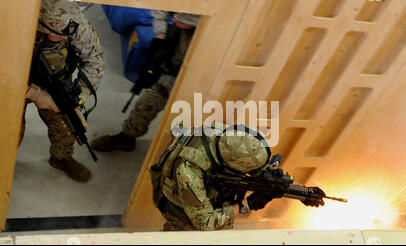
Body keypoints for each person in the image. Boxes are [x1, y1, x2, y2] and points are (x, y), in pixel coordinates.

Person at [150, 123, 326, 231]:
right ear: (230, 166)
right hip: (182, 212)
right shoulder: (189, 171)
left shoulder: (230, 138)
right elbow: (205, 222)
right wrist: (247, 205)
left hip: (206, 193)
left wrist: (301, 191)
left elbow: (264, 174)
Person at [90, 11, 200, 152]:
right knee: (151, 99)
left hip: (204, 56)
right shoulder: (178, 24)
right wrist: (160, 37)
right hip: (177, 48)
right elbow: (161, 9)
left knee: (189, 112)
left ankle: (181, 151)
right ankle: (128, 137)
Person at [21, 0, 105, 182]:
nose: (66, 39)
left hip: (56, 84)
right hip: (14, 85)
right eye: (59, 36)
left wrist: (78, 97)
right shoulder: (17, 24)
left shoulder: (74, 25)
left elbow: (95, 59)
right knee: (9, 130)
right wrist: (33, 94)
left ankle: (61, 158)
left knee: (68, 126)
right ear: (40, 26)